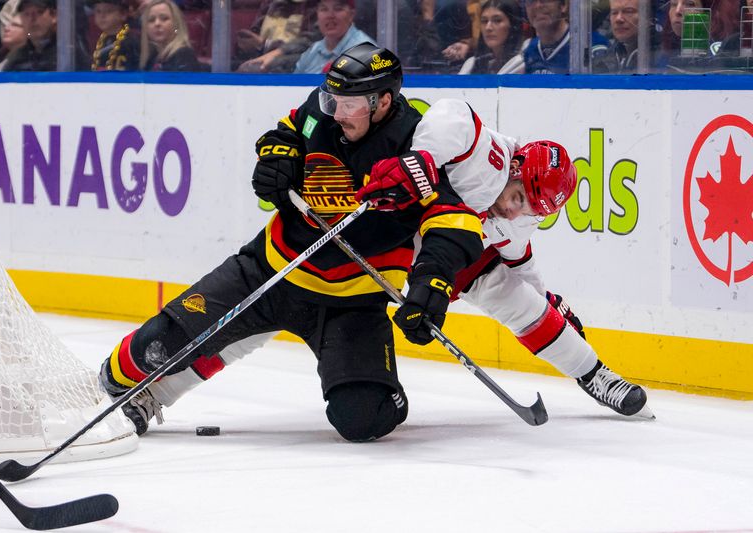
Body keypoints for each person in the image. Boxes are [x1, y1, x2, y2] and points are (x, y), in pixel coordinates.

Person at [98, 42, 484, 440]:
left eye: (348, 104)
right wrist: (275, 160)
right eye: (330, 99)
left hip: (353, 302)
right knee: (150, 348)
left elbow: (453, 221)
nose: (335, 112)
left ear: (382, 101)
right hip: (270, 269)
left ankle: (384, 393)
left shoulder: (414, 144)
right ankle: (105, 394)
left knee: (364, 419)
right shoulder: (322, 112)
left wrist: (432, 282)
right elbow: (284, 134)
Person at [356, 98, 650, 417]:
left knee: (519, 300)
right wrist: (422, 157)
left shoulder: (523, 216)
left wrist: (547, 301)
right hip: (389, 220)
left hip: (440, 252)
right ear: (515, 167)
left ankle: (593, 373)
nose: (514, 211)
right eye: (518, 196)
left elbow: (518, 260)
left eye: (529, 208)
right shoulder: (487, 155)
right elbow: (453, 112)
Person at [522, 0, 608, 74]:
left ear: (563, 5)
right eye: (530, 1)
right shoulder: (528, 50)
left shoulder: (592, 45)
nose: (538, 6)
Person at [4, 0, 89, 71]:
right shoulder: (16, 57)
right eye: (27, 14)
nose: (32, 19)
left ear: (54, 16)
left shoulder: (69, 55)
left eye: (39, 12)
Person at [292, 0, 375, 73]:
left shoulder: (365, 51)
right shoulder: (313, 51)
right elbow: (293, 86)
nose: (330, 15)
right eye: (324, 9)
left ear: (351, 14)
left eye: (338, 9)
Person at [458, 0, 525, 74]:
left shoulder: (522, 62)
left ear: (513, 25)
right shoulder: (471, 64)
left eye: (497, 20)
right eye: (484, 21)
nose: (488, 27)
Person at [139, 0, 203, 71]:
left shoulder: (184, 55)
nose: (157, 23)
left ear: (176, 24)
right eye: (151, 20)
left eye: (164, 18)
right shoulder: (152, 57)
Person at [89, 0, 140, 71]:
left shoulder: (132, 42)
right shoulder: (98, 41)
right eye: (98, 11)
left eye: (109, 11)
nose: (102, 16)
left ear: (123, 15)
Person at [593, 0, 641, 73]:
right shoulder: (603, 60)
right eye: (614, 13)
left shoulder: (660, 60)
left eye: (628, 11)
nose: (618, 19)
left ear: (649, 16)